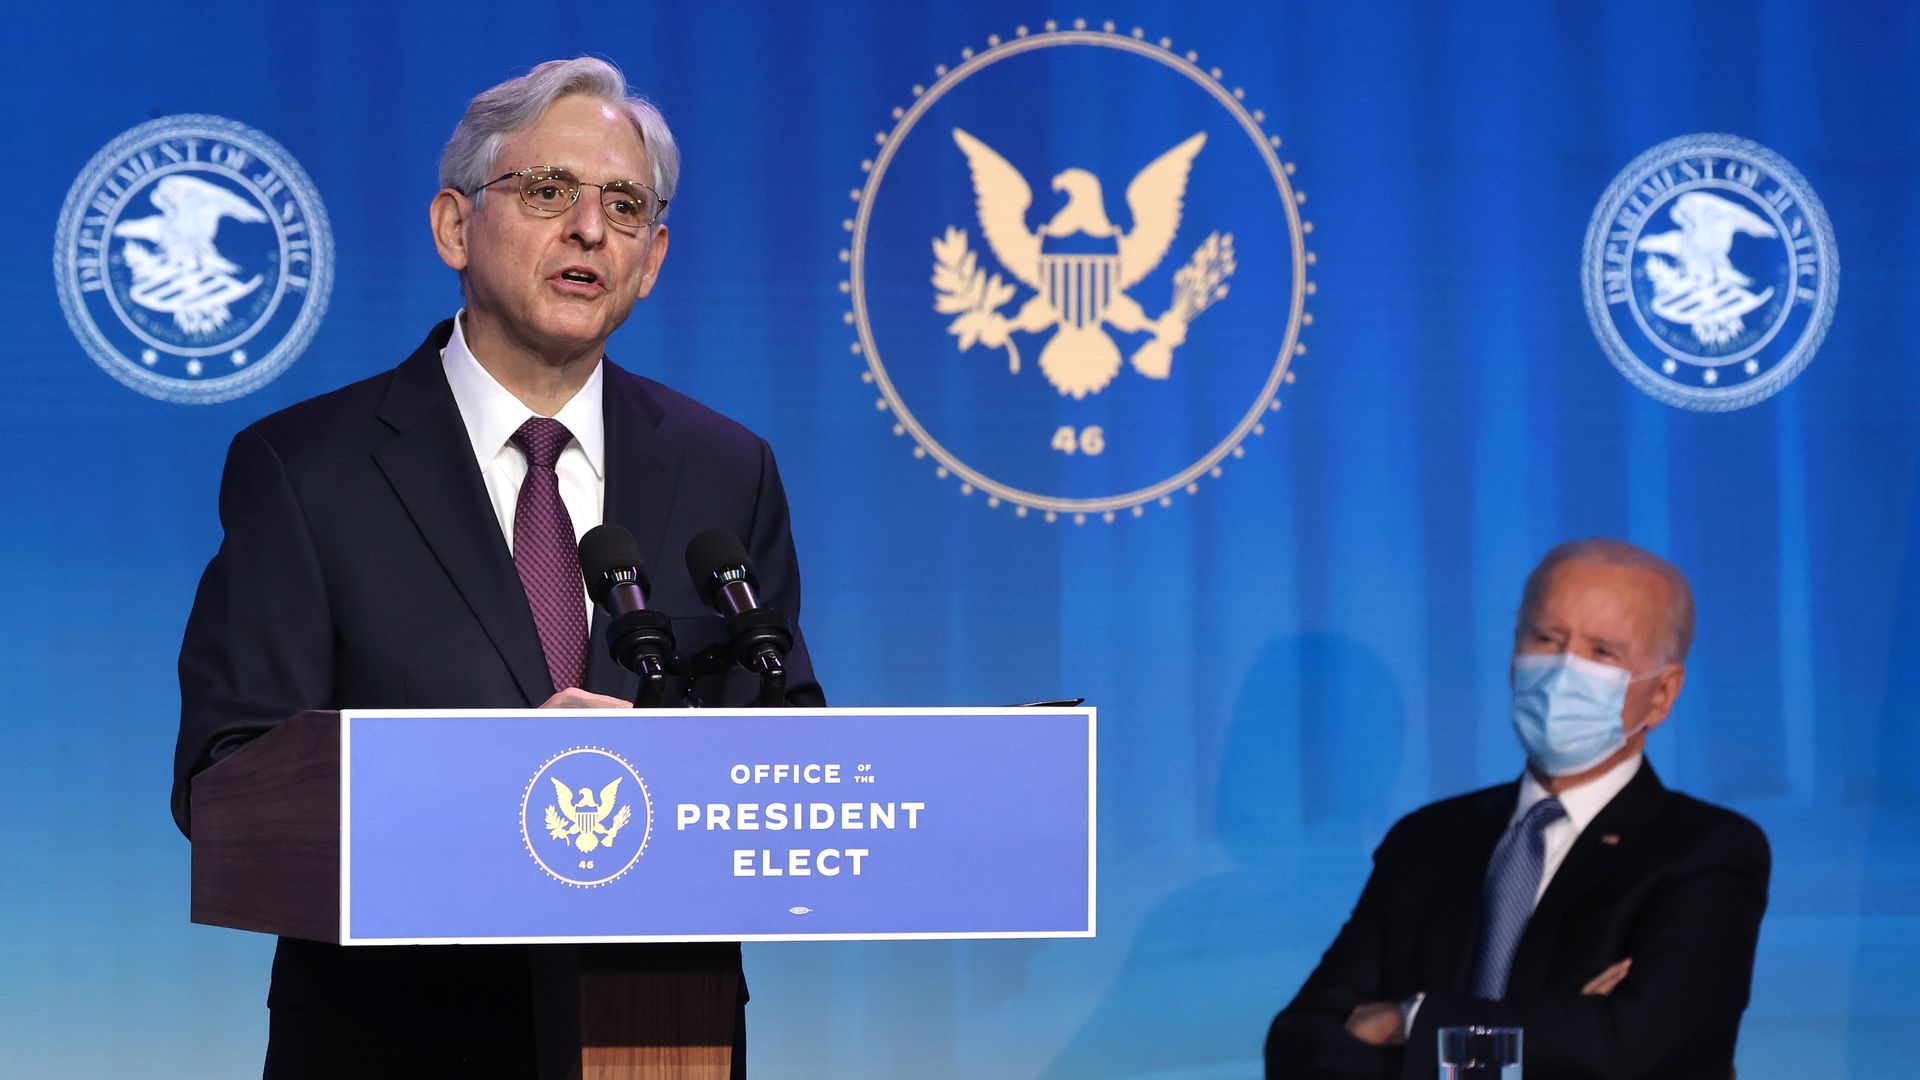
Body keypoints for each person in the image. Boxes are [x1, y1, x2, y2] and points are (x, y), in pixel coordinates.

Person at [171, 57, 821, 1079]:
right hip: (395, 1039)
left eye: (624, 205)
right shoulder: (305, 471)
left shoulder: (727, 470)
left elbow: (792, 759)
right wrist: (489, 782)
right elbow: (224, 790)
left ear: (652, 259)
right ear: (454, 227)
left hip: (658, 1031)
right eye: (549, 191)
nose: (590, 230)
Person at [1265, 539, 1769, 1079]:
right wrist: (1556, 1030)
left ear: (1662, 694)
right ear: (1513, 655)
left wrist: (1410, 1019)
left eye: (1602, 652)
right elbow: (1300, 1047)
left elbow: (1627, 1050)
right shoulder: (1428, 841)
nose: (1561, 672)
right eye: (1546, 639)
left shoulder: (1706, 850)